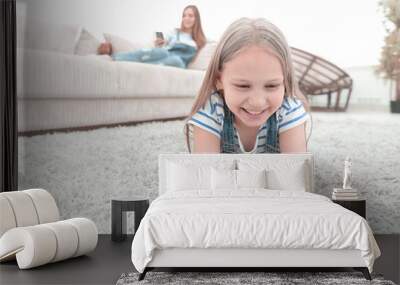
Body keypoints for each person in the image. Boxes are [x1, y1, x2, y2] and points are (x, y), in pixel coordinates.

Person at [184, 17, 311, 153]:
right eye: (243, 86)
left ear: (285, 81)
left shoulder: (289, 110)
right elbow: (205, 171)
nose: (257, 102)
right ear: (218, 79)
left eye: (271, 86)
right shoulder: (211, 110)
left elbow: (294, 171)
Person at [98, 5, 206, 68]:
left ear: (196, 18)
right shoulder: (175, 33)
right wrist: (161, 43)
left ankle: (145, 66)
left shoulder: (200, 40)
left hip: (178, 62)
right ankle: (114, 56)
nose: (186, 18)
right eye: (184, 15)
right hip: (166, 53)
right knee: (159, 52)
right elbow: (165, 45)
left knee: (175, 60)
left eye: (190, 15)